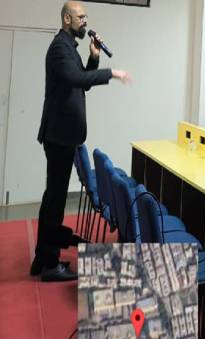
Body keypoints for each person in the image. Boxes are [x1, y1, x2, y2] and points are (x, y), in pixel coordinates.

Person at [33, 1, 131, 281]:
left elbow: (83, 82)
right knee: (55, 201)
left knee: (52, 199)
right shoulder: (59, 48)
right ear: (67, 19)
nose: (86, 21)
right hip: (59, 136)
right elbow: (76, 78)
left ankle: (42, 258)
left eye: (86, 16)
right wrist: (112, 73)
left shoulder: (70, 48)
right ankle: (50, 265)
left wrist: (94, 57)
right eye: (81, 17)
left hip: (63, 135)